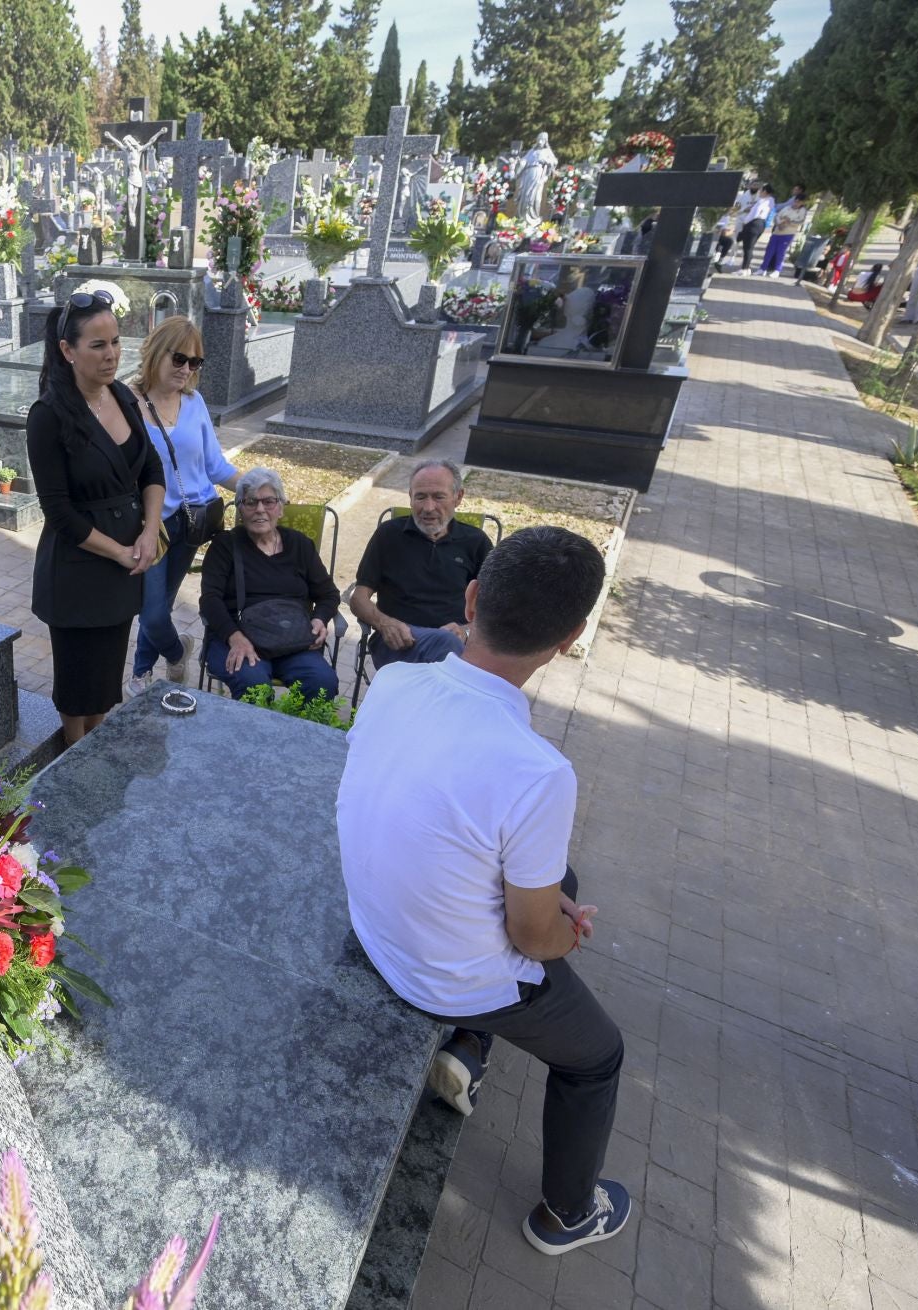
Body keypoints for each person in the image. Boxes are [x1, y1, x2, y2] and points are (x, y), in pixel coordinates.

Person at [336, 526, 627, 1256]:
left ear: (472, 599)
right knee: (597, 1055)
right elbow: (534, 939)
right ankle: (566, 1215)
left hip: (372, 925)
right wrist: (568, 932)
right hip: (435, 976)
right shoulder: (539, 773)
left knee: (559, 878)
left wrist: (549, 900)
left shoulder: (398, 681)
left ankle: (472, 1044)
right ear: (570, 638)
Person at [26, 290, 165, 745]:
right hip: (79, 569)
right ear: (67, 351)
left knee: (106, 683)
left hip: (127, 565)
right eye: (98, 345)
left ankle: (97, 757)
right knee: (77, 688)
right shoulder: (48, 416)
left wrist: (147, 533)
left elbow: (151, 468)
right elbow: (59, 512)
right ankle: (73, 761)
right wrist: (121, 551)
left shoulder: (122, 396)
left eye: (116, 342)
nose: (111, 356)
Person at [125, 317, 241, 697]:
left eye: (195, 362)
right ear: (157, 353)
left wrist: (256, 485)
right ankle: (178, 653)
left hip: (193, 523)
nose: (187, 369)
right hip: (151, 524)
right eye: (179, 359)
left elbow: (214, 466)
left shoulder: (194, 403)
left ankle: (141, 672)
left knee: (164, 604)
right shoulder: (127, 401)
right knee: (152, 611)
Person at [198, 467, 343, 702]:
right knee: (253, 685)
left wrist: (319, 618)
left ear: (281, 507)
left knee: (322, 683)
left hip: (292, 639)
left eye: (269, 501)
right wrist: (233, 636)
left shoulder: (300, 545)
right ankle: (252, 739)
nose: (260, 510)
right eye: (250, 502)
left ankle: (298, 737)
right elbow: (209, 600)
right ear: (240, 509)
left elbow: (328, 593)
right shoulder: (225, 546)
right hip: (240, 637)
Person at [348, 460, 493, 671]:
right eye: (421, 496)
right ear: (410, 497)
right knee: (450, 662)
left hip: (455, 643)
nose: (428, 507)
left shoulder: (476, 542)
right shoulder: (389, 535)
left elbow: (496, 608)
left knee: (448, 645)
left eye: (438, 496)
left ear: (458, 497)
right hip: (399, 642)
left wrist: (467, 630)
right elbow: (358, 598)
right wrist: (384, 623)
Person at [758, 189, 809, 277]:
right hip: (777, 232)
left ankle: (777, 270)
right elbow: (777, 216)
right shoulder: (787, 208)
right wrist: (779, 223)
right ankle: (763, 269)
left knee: (780, 252)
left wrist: (789, 221)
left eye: (799, 202)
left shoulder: (802, 211)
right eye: (795, 201)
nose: (796, 203)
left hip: (788, 233)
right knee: (769, 250)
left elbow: (800, 221)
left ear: (802, 203)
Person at [738, 185, 774, 273]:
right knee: (750, 247)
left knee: (748, 247)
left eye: (761, 191)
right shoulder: (771, 201)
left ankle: (744, 269)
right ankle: (746, 267)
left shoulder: (762, 201)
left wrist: (745, 221)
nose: (759, 193)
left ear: (765, 192)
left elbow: (754, 214)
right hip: (761, 224)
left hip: (754, 223)